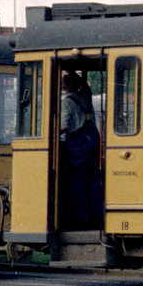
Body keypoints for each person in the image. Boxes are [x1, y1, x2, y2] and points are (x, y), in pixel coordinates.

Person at [60, 72, 102, 229]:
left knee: (77, 180)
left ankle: (81, 218)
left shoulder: (67, 102)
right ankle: (96, 216)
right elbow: (85, 86)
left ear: (64, 87)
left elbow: (63, 126)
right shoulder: (86, 95)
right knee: (93, 180)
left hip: (78, 143)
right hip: (92, 138)